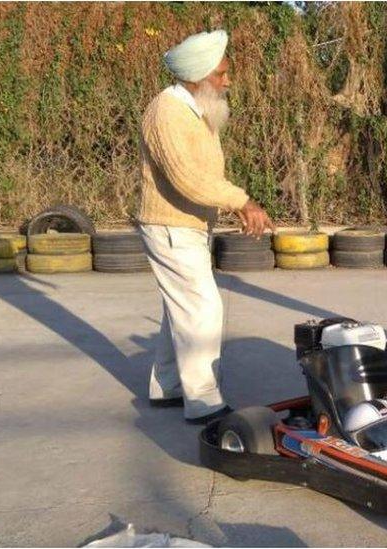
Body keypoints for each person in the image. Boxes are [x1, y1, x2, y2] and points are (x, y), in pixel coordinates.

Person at [136, 30, 274, 423]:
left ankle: (166, 387)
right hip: (169, 225)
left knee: (179, 309)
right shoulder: (166, 111)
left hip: (187, 224)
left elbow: (201, 175)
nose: (228, 81)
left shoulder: (194, 109)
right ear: (197, 77)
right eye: (221, 74)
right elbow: (185, 178)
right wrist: (241, 201)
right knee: (203, 309)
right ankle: (203, 400)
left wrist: (228, 204)